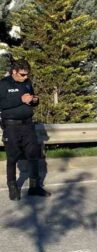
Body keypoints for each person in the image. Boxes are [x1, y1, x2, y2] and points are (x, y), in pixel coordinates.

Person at [0, 60, 49, 200]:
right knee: (12, 157)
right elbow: (2, 103)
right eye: (22, 75)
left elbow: (31, 99)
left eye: (27, 75)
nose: (25, 77)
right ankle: (13, 187)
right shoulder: (3, 84)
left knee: (33, 155)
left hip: (28, 125)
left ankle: (34, 187)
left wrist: (35, 100)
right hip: (11, 127)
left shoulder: (27, 82)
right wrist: (20, 99)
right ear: (14, 72)